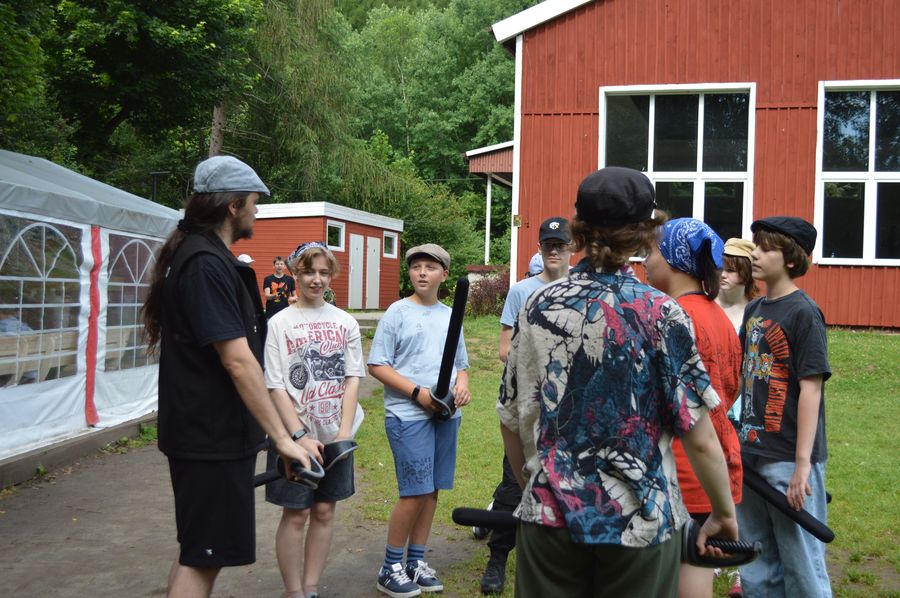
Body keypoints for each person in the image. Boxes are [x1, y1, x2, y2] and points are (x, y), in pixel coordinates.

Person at [498, 167, 738, 598]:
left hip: (549, 519)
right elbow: (700, 437)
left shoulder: (535, 305)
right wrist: (724, 513)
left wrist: (538, 486)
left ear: (578, 227)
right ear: (646, 233)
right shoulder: (661, 312)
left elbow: (511, 417)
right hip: (640, 524)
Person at [142, 155, 316, 598]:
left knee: (198, 551)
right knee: (204, 557)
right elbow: (238, 361)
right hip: (209, 438)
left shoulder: (199, 255)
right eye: (254, 202)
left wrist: (282, 434)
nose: (258, 210)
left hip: (207, 435)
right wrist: (282, 440)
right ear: (233, 206)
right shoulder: (205, 263)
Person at [644, 218, 743, 598]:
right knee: (696, 575)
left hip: (681, 470)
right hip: (716, 468)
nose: (645, 260)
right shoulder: (719, 317)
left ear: (673, 259)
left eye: (652, 251)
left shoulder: (672, 317)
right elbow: (729, 390)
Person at [368, 243, 471, 598]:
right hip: (408, 415)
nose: (422, 272)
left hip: (445, 414)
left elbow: (461, 364)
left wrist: (462, 385)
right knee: (414, 492)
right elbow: (377, 365)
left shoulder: (450, 315)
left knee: (432, 491)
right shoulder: (398, 312)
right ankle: (390, 567)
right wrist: (418, 394)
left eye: (430, 267)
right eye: (416, 267)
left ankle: (415, 561)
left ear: (444, 274)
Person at [737, 217, 832, 597]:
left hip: (788, 457)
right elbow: (744, 378)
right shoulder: (754, 310)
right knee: (757, 559)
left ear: (791, 258)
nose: (755, 254)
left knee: (801, 560)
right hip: (750, 452)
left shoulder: (804, 313)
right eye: (755, 246)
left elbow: (811, 389)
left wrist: (802, 465)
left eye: (765, 248)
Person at [264, 241, 365, 598]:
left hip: (335, 434)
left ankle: (310, 588)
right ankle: (293, 591)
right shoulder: (279, 323)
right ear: (295, 273)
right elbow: (275, 385)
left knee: (324, 511)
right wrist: (298, 436)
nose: (316, 279)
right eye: (308, 272)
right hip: (293, 437)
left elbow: (353, 378)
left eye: (323, 272)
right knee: (296, 514)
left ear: (331, 275)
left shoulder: (345, 322)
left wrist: (342, 433)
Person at [479, 217, 573, 595]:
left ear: (571, 248)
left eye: (560, 245)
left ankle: (559, 559)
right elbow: (506, 348)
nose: (553, 251)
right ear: (539, 248)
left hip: (568, 407)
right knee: (513, 480)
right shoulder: (521, 291)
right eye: (548, 244)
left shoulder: (580, 289)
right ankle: (498, 558)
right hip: (527, 403)